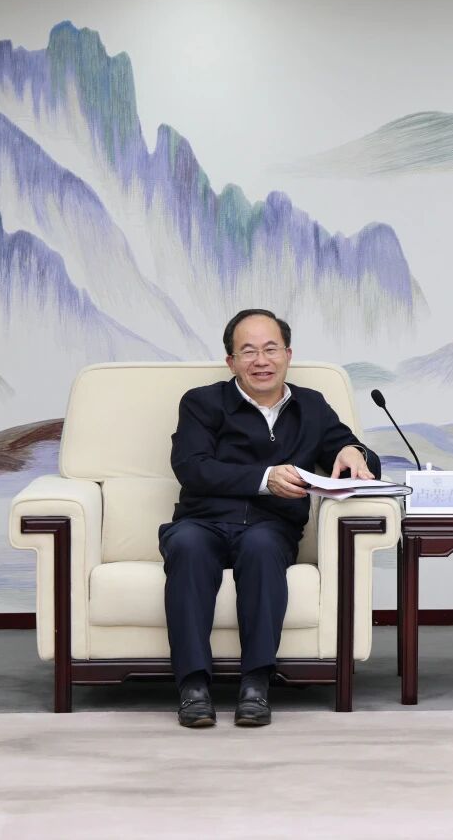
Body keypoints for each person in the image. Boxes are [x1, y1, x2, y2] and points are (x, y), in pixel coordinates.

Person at [159, 309, 380, 728]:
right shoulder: (202, 402)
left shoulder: (311, 406)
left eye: (270, 349)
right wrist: (265, 479)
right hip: (202, 521)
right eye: (248, 352)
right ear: (231, 362)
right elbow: (192, 467)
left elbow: (357, 460)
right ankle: (193, 687)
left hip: (270, 527)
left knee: (261, 548)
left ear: (288, 354)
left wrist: (354, 451)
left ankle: (255, 685)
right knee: (187, 546)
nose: (261, 361)